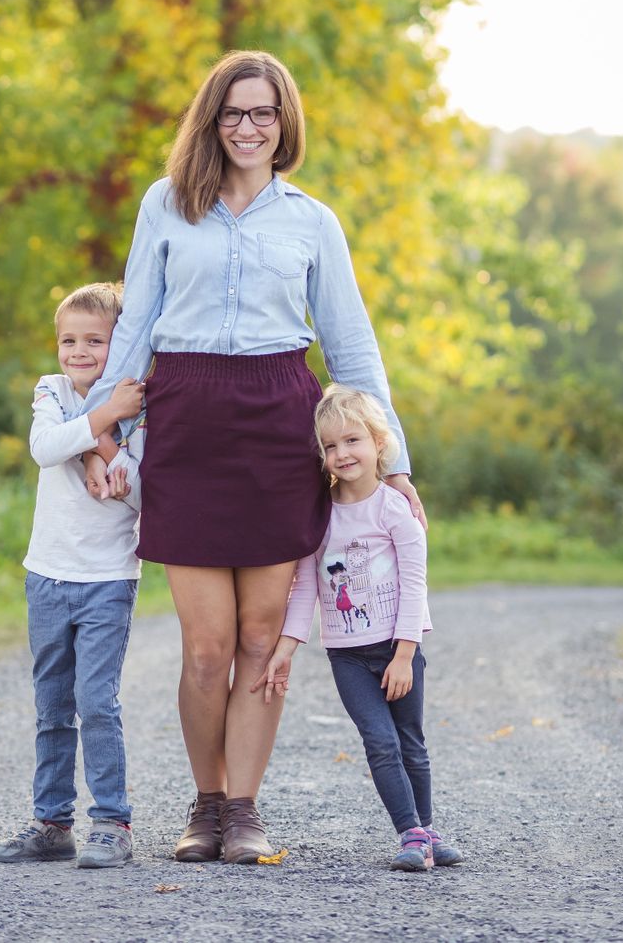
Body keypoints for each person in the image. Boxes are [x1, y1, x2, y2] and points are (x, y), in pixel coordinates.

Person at [79, 50, 424, 865]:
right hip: (188, 418)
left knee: (263, 639)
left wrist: (394, 461)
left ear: (284, 123)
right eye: (233, 112)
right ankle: (203, 806)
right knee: (206, 645)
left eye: (263, 112)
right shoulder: (166, 206)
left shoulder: (313, 220)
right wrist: (104, 432)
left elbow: (351, 347)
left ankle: (244, 810)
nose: (247, 126)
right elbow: (133, 330)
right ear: (212, 119)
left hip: (279, 424)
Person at [254, 385, 463, 873]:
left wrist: (406, 654)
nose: (341, 454)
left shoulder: (396, 509)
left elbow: (415, 586)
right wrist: (287, 647)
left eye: (352, 441)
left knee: (410, 739)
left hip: (397, 649)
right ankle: (410, 832)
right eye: (330, 446)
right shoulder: (320, 513)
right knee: (380, 741)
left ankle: (426, 831)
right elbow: (305, 586)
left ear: (378, 444)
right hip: (347, 655)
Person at [0, 282, 145, 869]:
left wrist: (114, 462)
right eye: (68, 340)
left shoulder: (141, 410)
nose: (79, 352)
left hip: (108, 578)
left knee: (95, 702)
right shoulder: (52, 391)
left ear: (120, 344)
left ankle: (112, 822)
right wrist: (98, 435)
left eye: (95, 341)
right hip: (48, 576)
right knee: (52, 704)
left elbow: (139, 497)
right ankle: (52, 824)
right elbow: (44, 447)